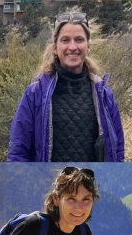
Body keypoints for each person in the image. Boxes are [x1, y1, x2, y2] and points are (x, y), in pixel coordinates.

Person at [8, 12, 124, 162]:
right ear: (55, 47)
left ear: (88, 46)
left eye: (79, 40)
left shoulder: (104, 94)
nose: (73, 46)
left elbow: (117, 150)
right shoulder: (35, 93)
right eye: (65, 40)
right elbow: (18, 152)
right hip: (48, 185)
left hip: (93, 184)